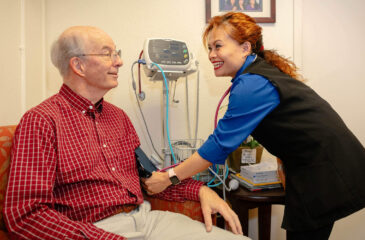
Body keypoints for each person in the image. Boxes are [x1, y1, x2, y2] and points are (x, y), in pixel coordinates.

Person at [3, 26, 250, 240]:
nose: (119, 61)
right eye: (107, 53)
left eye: (116, 53)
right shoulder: (41, 121)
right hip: (91, 230)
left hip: (147, 220)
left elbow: (150, 180)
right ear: (77, 65)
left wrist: (199, 189)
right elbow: (26, 214)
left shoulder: (118, 117)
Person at [144, 12, 365, 240]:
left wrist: (169, 177)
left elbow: (218, 145)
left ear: (245, 48)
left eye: (218, 46)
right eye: (209, 48)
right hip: (319, 165)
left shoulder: (252, 84)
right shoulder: (257, 75)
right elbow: (292, 127)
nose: (211, 55)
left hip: (326, 168)